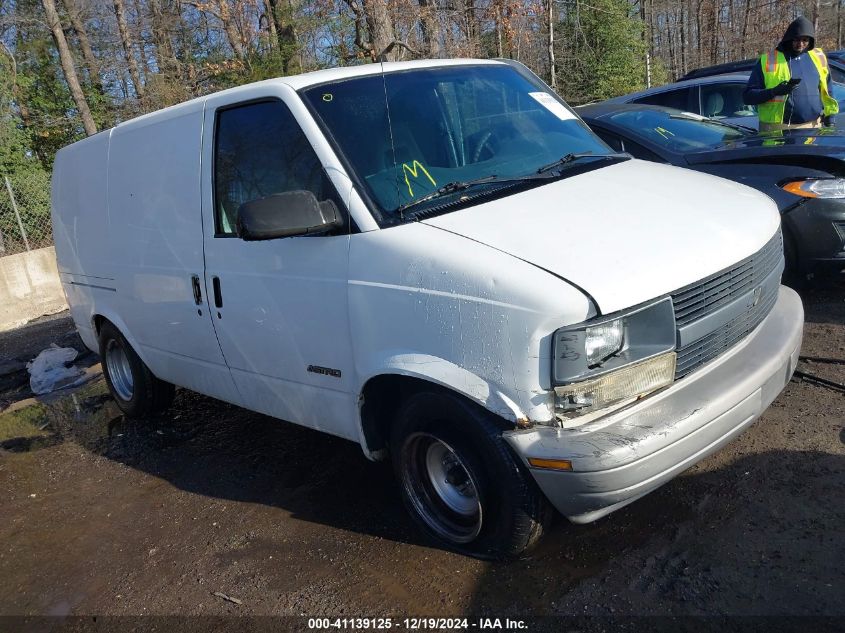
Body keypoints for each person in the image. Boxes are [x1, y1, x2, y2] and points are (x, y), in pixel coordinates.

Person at [743, 16, 838, 132]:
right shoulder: (768, 60)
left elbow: (828, 90)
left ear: (810, 40)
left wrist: (830, 118)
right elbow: (748, 97)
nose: (800, 44)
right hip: (776, 132)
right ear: (789, 38)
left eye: (805, 40)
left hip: (813, 129)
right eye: (796, 39)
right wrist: (774, 92)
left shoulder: (818, 57)